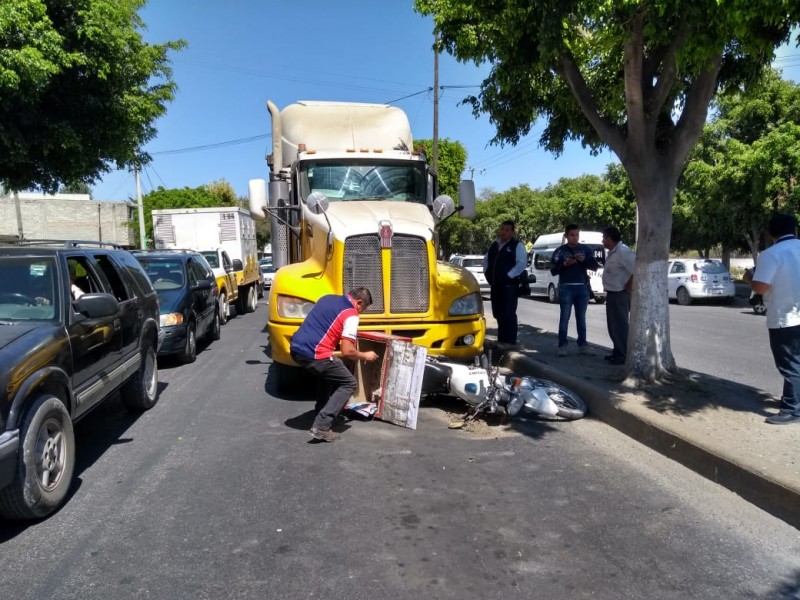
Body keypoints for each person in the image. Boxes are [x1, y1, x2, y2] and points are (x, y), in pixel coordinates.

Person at [289, 287, 379, 442]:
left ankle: (320, 411)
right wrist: (365, 355)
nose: (361, 313)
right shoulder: (351, 315)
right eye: (363, 309)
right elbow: (347, 351)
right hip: (314, 354)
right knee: (349, 383)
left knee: (329, 372)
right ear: (358, 302)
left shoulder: (327, 298)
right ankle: (322, 426)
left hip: (296, 348)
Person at [743, 213, 800, 425]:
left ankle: (793, 411)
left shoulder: (770, 254)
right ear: (795, 230)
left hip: (785, 318)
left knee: (790, 366)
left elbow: (760, 286)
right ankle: (791, 401)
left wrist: (749, 277)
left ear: (771, 233)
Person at [550, 224, 600, 357]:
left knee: (581, 318)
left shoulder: (586, 249)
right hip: (566, 287)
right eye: (572, 235)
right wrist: (564, 265)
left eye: (577, 235)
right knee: (564, 317)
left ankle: (582, 345)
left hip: (582, 287)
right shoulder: (560, 251)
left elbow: (595, 266)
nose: (575, 238)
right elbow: (553, 270)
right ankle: (562, 346)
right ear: (566, 236)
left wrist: (583, 261)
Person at [483, 220, 527, 345]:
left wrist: (508, 275)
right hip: (495, 285)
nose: (504, 232)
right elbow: (486, 261)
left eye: (507, 230)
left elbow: (521, 263)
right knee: (498, 313)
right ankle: (502, 340)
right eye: (502, 229)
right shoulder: (494, 245)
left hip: (509, 286)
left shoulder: (517, 245)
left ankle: (510, 341)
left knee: (508, 313)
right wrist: (488, 274)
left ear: (512, 232)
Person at [601, 226, 636, 365]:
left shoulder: (623, 252)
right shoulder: (613, 252)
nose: (603, 241)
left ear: (609, 238)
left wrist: (628, 286)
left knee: (620, 325)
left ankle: (623, 355)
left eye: (604, 238)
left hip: (620, 294)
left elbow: (637, 270)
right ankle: (617, 351)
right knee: (613, 325)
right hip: (612, 293)